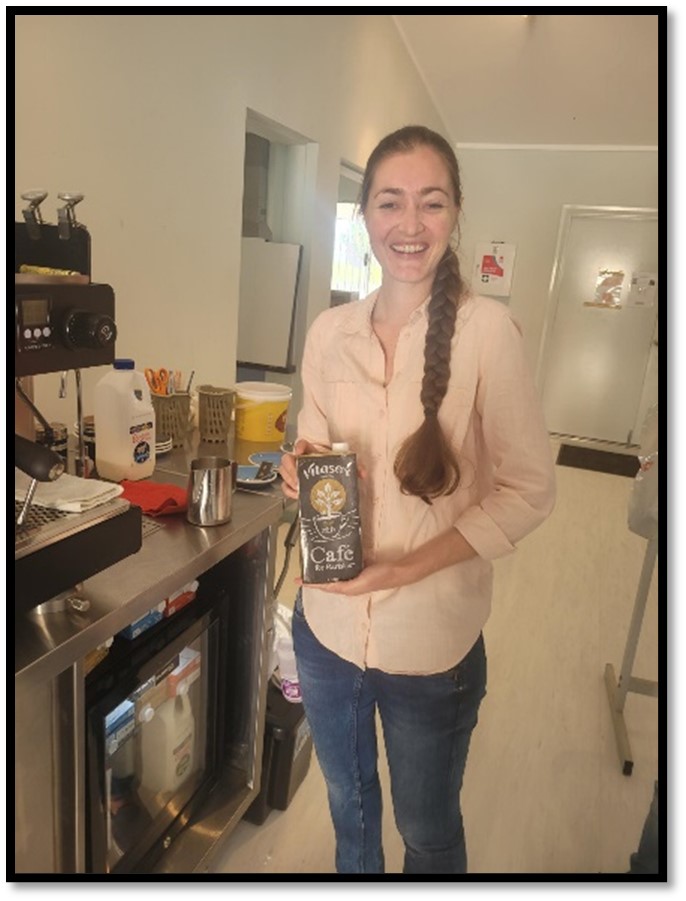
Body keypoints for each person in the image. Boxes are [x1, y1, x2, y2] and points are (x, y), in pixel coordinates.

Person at [279, 125, 556, 875]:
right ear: (364, 213)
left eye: (430, 203)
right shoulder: (330, 332)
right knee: (349, 809)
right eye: (389, 202)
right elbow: (312, 442)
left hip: (432, 642)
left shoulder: (488, 333)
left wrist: (403, 570)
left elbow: (530, 489)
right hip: (327, 629)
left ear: (456, 212)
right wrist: (300, 468)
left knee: (427, 830)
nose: (409, 224)